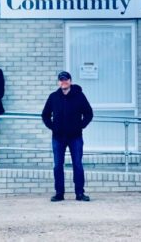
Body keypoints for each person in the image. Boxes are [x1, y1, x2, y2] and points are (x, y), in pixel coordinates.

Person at [42, 71, 93, 202]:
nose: (63, 82)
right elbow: (45, 115)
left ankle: (80, 193)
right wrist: (53, 127)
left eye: (66, 80)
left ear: (70, 81)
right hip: (58, 138)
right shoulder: (53, 97)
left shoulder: (79, 96)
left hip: (75, 137)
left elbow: (89, 113)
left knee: (77, 164)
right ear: (58, 82)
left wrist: (80, 126)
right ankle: (59, 193)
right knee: (58, 165)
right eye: (61, 80)